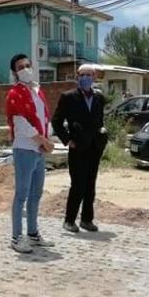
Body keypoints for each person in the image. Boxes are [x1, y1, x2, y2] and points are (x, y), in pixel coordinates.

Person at [6, 54, 56, 253]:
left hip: (39, 149)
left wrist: (48, 138)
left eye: (28, 65)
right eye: (20, 67)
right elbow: (21, 123)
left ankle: (33, 233)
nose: (25, 69)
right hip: (25, 148)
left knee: (36, 193)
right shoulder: (14, 94)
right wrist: (42, 140)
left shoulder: (37, 91)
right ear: (14, 72)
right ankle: (17, 237)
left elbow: (44, 118)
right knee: (21, 195)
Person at [51, 64, 108, 233]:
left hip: (94, 147)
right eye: (82, 75)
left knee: (91, 184)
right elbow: (56, 122)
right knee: (78, 184)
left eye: (89, 75)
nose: (85, 78)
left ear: (94, 76)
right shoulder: (68, 97)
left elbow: (100, 121)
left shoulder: (99, 98)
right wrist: (68, 140)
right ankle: (69, 220)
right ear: (77, 77)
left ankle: (87, 219)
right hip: (77, 148)